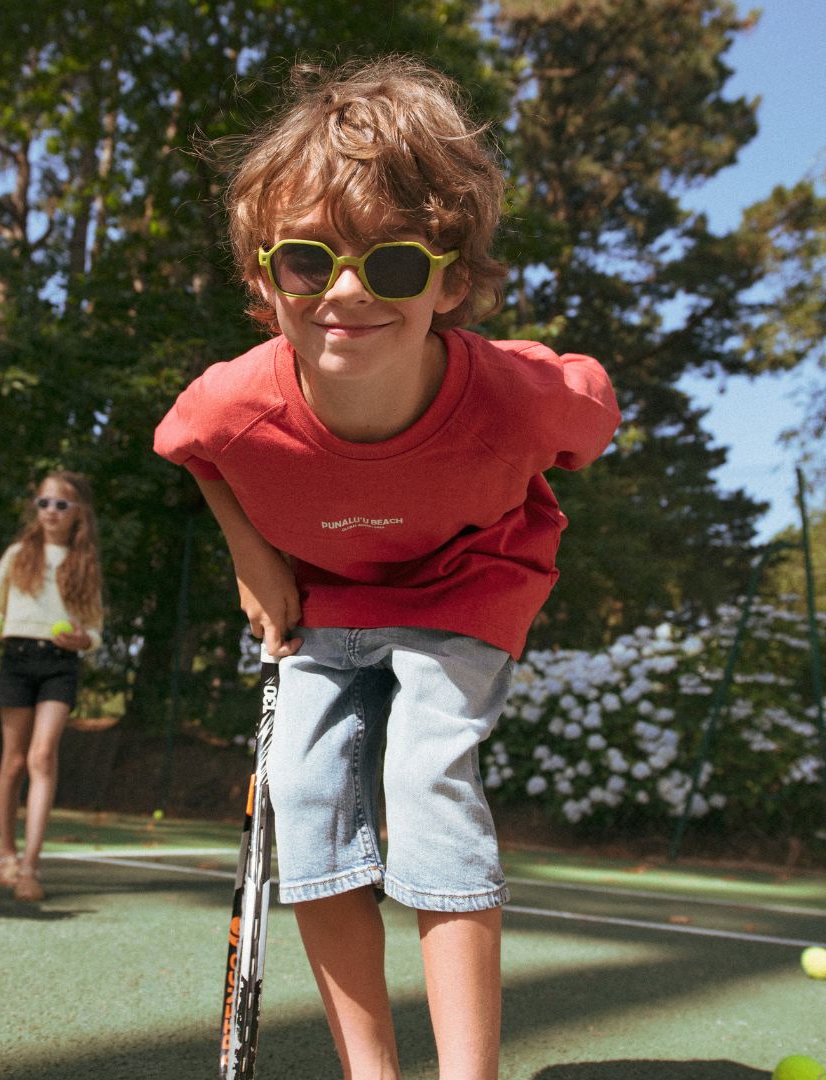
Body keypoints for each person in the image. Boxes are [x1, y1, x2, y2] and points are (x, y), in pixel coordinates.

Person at [154, 55, 621, 1078]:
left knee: (421, 772)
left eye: (395, 264)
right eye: (307, 260)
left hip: (469, 583)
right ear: (263, 276)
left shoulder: (516, 395)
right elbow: (186, 448)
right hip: (326, 597)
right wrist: (250, 557)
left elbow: (591, 409)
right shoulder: (233, 401)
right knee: (302, 792)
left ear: (450, 281)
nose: (347, 291)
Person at [0, 471, 104, 902]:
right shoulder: (18, 554)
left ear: (78, 513)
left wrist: (83, 639)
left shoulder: (84, 564)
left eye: (61, 505)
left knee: (42, 756)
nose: (50, 511)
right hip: (16, 659)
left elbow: (95, 629)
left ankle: (30, 865)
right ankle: (5, 852)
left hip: (59, 665)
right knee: (13, 762)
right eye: (43, 503)